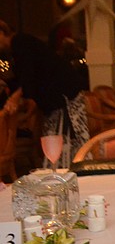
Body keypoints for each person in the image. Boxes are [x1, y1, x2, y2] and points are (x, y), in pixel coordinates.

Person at [0, 20, 89, 167]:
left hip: (63, 97)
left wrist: (15, 98)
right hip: (59, 98)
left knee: (64, 140)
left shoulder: (20, 42)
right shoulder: (18, 47)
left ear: (2, 33)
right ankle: (65, 173)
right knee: (58, 140)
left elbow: (29, 74)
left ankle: (67, 173)